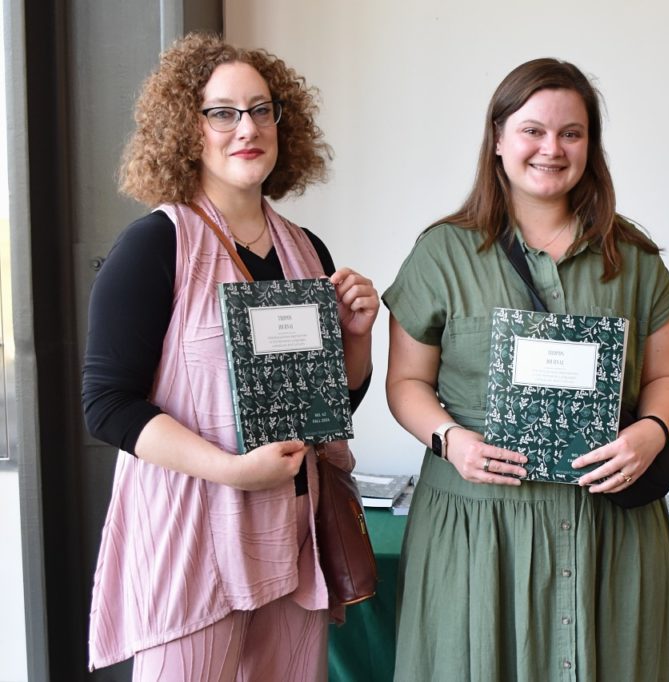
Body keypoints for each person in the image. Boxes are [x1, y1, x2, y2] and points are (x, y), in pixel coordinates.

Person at [383, 57, 669, 681]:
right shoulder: (441, 253)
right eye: (533, 130)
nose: (551, 148)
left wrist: (651, 432)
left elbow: (668, 378)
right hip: (477, 529)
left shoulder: (634, 259)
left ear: (590, 146)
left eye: (571, 133)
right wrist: (450, 440)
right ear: (498, 139)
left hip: (610, 529)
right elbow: (405, 383)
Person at [81, 33, 379, 680]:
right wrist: (231, 470)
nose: (247, 128)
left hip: (293, 543)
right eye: (222, 112)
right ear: (187, 130)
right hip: (193, 543)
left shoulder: (308, 250)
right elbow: (106, 406)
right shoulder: (157, 246)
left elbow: (333, 405)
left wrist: (357, 337)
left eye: (261, 109)